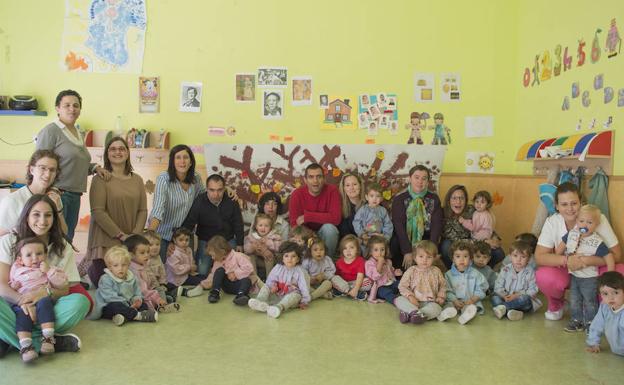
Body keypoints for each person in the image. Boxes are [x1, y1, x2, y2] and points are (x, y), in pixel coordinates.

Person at [0, 194, 88, 357]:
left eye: (48, 215)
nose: (42, 221)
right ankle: (48, 341)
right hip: (13, 305)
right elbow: (2, 285)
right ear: (26, 216)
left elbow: (65, 289)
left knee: (81, 302)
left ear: (55, 218)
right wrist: (22, 300)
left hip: (46, 308)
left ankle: (13, 338)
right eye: (36, 214)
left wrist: (43, 293)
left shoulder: (63, 247)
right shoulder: (9, 241)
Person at [535, 182, 623, 321]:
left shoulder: (597, 218)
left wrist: (587, 261)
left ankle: (604, 309)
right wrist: (567, 260)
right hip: (568, 271)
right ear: (556, 206)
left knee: (620, 271)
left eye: (574, 203)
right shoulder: (552, 222)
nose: (570, 208)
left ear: (581, 203)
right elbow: (539, 257)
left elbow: (617, 255)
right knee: (544, 275)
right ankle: (557, 303)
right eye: (564, 204)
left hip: (594, 269)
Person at [35, 90, 110, 241]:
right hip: (57, 194)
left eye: (76, 105)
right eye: (67, 105)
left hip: (74, 195)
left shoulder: (77, 132)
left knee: (66, 242)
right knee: (53, 242)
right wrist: (44, 193)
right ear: (57, 108)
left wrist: (95, 168)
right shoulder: (51, 131)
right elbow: (39, 164)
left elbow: (75, 163)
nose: (72, 109)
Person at [80, 137, 147, 287]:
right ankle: (89, 266)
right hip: (105, 240)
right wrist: (121, 235)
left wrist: (134, 236)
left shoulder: (137, 180)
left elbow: (142, 210)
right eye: (113, 149)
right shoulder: (101, 179)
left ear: (128, 153)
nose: (118, 152)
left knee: (132, 285)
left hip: (130, 239)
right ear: (107, 154)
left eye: (122, 148)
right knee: (106, 285)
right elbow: (98, 212)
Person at [554, 204, 614, 332]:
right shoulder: (572, 234)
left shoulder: (596, 241)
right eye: (581, 221)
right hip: (574, 276)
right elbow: (561, 246)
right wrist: (558, 258)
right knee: (574, 299)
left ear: (596, 224)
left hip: (589, 278)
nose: (584, 225)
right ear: (576, 221)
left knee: (589, 301)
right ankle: (576, 320)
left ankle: (592, 323)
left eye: (589, 222)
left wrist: (610, 275)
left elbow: (609, 257)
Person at [9, 237, 67, 362]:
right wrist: (13, 286)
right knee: (22, 315)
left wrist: (49, 271)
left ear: (46, 255)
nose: (35, 258)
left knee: (45, 302)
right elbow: (10, 286)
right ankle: (26, 347)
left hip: (42, 299)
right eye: (29, 255)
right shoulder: (17, 270)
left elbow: (62, 284)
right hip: (23, 302)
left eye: (39, 253)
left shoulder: (49, 269)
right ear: (20, 259)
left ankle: (48, 339)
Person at [149, 144, 205, 263]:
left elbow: (206, 196)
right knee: (161, 270)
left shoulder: (196, 178)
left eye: (186, 157)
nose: (182, 161)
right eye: (178, 157)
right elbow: (158, 209)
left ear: (191, 161)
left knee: (185, 268)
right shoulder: (163, 179)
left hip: (183, 234)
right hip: (163, 233)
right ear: (172, 161)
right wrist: (150, 235)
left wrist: (226, 190)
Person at [182, 174, 244, 276]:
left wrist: (240, 243)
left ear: (224, 189)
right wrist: (179, 241)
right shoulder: (199, 202)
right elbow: (189, 223)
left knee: (235, 269)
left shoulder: (231, 201)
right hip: (206, 241)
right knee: (202, 272)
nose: (216, 194)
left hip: (227, 240)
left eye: (219, 190)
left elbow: (238, 223)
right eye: (212, 190)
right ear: (206, 189)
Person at [0, 150, 67, 236]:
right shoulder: (12, 200)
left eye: (52, 170)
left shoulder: (54, 198)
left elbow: (63, 233)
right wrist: (16, 231)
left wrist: (58, 210)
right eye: (43, 168)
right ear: (31, 169)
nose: (47, 174)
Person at [390, 165, 443, 271]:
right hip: (406, 239)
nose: (420, 182)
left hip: (426, 238)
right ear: (410, 178)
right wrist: (407, 251)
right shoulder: (399, 199)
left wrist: (431, 251)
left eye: (424, 178)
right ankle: (398, 272)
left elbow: (437, 225)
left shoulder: (434, 198)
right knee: (394, 242)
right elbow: (399, 226)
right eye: (417, 177)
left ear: (428, 181)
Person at [91, 246, 158, 326]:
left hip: (129, 304)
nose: (120, 268)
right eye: (116, 265)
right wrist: (127, 305)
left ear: (128, 265)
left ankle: (124, 317)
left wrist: (137, 300)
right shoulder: (105, 279)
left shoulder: (132, 277)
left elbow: (137, 291)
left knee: (143, 304)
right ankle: (137, 315)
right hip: (109, 304)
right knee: (115, 306)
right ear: (109, 267)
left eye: (124, 265)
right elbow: (110, 297)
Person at [395, 240, 455, 324]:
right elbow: (402, 286)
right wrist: (410, 297)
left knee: (437, 309)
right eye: (421, 256)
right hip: (413, 301)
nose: (425, 260)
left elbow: (443, 285)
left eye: (429, 257)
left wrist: (441, 297)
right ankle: (413, 311)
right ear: (415, 258)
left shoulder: (436, 271)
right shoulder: (411, 271)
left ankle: (414, 314)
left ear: (434, 258)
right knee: (399, 300)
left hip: (430, 302)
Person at [289, 163, 342, 257]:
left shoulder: (332, 191)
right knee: (295, 236)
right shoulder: (297, 194)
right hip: (305, 234)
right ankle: (303, 264)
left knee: (330, 229)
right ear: (305, 180)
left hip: (324, 234)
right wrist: (310, 234)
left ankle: (327, 262)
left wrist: (307, 216)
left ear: (324, 179)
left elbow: (336, 218)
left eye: (319, 177)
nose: (315, 181)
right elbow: (295, 224)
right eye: (311, 177)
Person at [248, 242, 310, 319]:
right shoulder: (278, 267)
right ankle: (260, 301)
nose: (290, 259)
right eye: (286, 256)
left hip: (292, 299)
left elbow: (304, 288)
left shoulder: (300, 272)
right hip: (278, 294)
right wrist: (273, 287)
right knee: (266, 287)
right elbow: (270, 280)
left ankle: (278, 308)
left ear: (298, 259)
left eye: (293, 256)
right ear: (282, 258)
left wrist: (304, 301)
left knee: (295, 295)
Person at [125, 235, 180, 313]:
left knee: (159, 289)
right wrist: (157, 298)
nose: (147, 255)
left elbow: (151, 278)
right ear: (131, 255)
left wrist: (157, 286)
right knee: (156, 294)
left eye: (147, 252)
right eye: (142, 253)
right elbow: (143, 290)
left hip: (148, 292)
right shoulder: (133, 271)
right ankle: (163, 305)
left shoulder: (143, 264)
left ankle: (164, 301)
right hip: (140, 296)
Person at [491, 241, 540, 321]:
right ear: (510, 256)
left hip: (521, 302)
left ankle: (504, 309)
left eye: (523, 257)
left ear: (529, 259)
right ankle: (512, 312)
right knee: (495, 298)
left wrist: (517, 295)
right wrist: (504, 295)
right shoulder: (505, 269)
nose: (518, 259)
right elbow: (498, 285)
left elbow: (533, 290)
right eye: (515, 256)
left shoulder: (530, 272)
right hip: (506, 297)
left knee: (525, 299)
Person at [444, 240, 488, 325]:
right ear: (453, 259)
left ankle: (465, 316)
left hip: (470, 301)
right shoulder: (448, 275)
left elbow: (482, 287)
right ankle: (446, 314)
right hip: (453, 302)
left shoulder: (476, 274)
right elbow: (447, 290)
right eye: (458, 256)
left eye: (465, 256)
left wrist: (473, 299)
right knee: (448, 307)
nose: (461, 259)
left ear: (471, 259)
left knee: (470, 308)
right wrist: (454, 300)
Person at [203, 236, 254, 306]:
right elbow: (213, 274)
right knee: (219, 270)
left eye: (213, 255)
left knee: (247, 280)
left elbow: (249, 268)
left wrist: (235, 273)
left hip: (238, 285)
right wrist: (205, 283)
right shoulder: (217, 262)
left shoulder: (238, 256)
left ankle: (241, 295)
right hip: (226, 286)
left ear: (222, 251)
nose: (212, 258)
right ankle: (215, 292)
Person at [586, 271, 624, 356]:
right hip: (617, 351)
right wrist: (594, 343)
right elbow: (596, 325)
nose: (611, 297)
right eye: (605, 294)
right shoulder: (604, 308)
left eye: (616, 292)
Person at [165, 227, 206, 298]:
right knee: (202, 281)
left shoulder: (188, 249)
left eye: (187, 240)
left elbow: (191, 261)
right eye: (181, 240)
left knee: (204, 277)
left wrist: (193, 266)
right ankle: (191, 291)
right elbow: (176, 269)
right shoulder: (173, 253)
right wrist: (190, 267)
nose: (184, 242)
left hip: (187, 274)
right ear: (174, 240)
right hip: (178, 278)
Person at [353, 183, 393, 252]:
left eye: (378, 196)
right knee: (363, 250)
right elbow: (356, 222)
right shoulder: (363, 210)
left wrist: (385, 236)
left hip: (379, 237)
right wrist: (361, 234)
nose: (375, 199)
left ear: (381, 198)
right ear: (366, 197)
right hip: (366, 237)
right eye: (372, 196)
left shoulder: (383, 210)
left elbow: (388, 224)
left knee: (382, 251)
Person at [244, 213, 282, 280]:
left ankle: (270, 280)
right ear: (256, 226)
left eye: (266, 226)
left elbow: (279, 247)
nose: (263, 228)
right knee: (250, 256)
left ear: (270, 227)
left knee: (269, 256)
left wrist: (268, 243)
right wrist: (253, 247)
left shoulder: (274, 236)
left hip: (271, 261)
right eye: (260, 225)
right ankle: (255, 279)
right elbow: (246, 249)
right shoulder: (252, 236)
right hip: (258, 261)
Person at [332, 235, 371, 300]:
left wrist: (356, 288)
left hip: (355, 282)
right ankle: (353, 293)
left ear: (357, 249)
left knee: (368, 282)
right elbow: (337, 276)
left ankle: (346, 292)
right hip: (343, 283)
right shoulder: (339, 262)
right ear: (342, 250)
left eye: (351, 247)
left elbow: (360, 276)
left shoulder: (360, 261)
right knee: (333, 278)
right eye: (345, 248)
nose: (348, 251)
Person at [364, 236, 399, 304]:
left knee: (401, 283)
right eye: (376, 250)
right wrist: (380, 263)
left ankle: (408, 295)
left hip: (391, 283)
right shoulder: (369, 263)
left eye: (382, 249)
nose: (379, 253)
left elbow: (390, 272)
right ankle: (396, 300)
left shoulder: (388, 261)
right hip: (379, 288)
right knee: (385, 292)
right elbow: (374, 277)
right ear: (371, 252)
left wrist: (395, 273)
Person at [142, 230, 171, 303]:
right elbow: (149, 275)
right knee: (160, 290)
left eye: (157, 244)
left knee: (170, 286)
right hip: (150, 285)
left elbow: (162, 271)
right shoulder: (146, 259)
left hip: (158, 283)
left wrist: (163, 283)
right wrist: (158, 285)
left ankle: (172, 295)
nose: (155, 247)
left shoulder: (158, 257)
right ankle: (164, 304)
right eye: (151, 245)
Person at [337, 173, 364, 239]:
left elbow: (380, 224)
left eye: (354, 184)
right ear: (344, 188)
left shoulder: (373, 203)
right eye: (348, 185)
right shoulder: (341, 208)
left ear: (360, 185)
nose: (351, 188)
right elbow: (345, 235)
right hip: (353, 244)